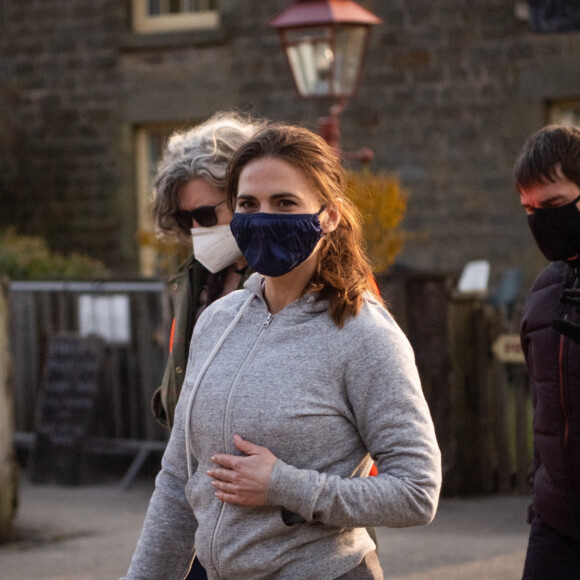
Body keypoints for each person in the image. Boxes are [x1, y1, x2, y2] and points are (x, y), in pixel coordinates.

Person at [123, 123, 441, 580]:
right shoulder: (216, 321)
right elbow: (177, 481)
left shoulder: (364, 334)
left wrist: (286, 486)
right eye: (248, 204)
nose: (264, 216)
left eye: (285, 203)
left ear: (328, 215)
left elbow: (417, 491)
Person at [150, 111, 265, 579]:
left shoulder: (294, 280)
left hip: (280, 521)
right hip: (203, 510)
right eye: (186, 217)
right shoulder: (195, 280)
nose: (197, 229)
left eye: (205, 214)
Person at [514, 124, 580, 579]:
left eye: (553, 205)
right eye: (529, 209)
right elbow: (546, 410)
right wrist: (541, 502)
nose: (541, 220)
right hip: (555, 526)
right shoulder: (545, 291)